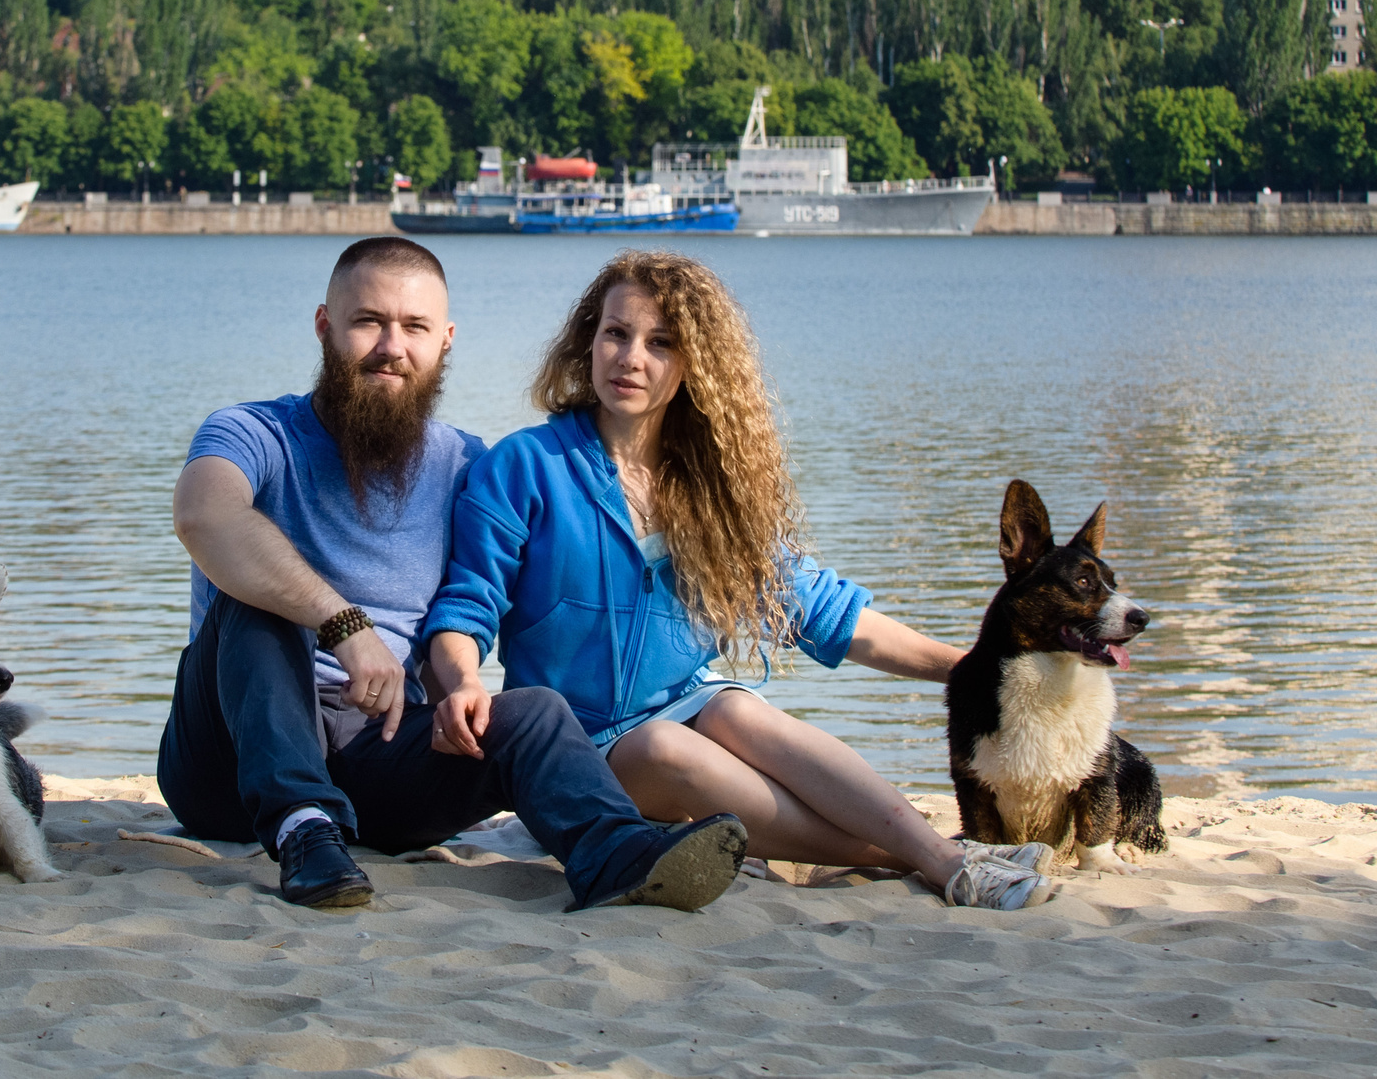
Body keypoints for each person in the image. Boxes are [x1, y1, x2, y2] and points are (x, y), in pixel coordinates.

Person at [420, 249, 1062, 910]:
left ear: (696, 363)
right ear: (589, 339)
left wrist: (969, 668)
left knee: (732, 707)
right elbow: (465, 608)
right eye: (616, 332)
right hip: (578, 753)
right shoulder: (524, 466)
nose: (630, 357)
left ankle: (941, 856)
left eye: (660, 342)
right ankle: (939, 858)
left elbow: (823, 611)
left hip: (692, 710)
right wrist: (464, 681)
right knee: (667, 744)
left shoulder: (712, 491)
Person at [156, 236, 749, 912]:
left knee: (532, 714)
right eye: (367, 322)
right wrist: (343, 623)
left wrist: (461, 690)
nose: (391, 345)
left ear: (445, 341)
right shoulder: (254, 432)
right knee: (260, 601)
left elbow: (481, 607)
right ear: (325, 326)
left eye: (414, 327)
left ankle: (614, 851)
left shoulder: (468, 463)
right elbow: (204, 516)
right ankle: (302, 827)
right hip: (228, 760)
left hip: (374, 754)